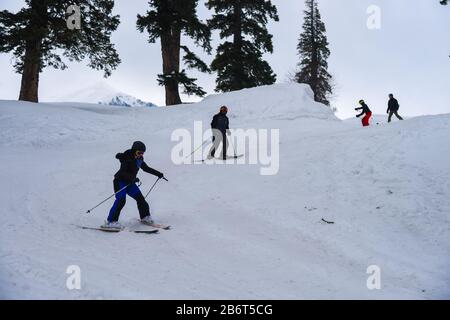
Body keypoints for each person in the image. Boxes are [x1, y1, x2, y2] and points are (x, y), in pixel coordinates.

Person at [103, 141, 165, 229]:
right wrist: (133, 178)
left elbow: (146, 168)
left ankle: (145, 217)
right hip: (120, 182)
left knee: (140, 199)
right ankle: (111, 222)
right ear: (134, 150)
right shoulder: (127, 158)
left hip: (130, 183)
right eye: (139, 152)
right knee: (121, 200)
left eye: (142, 153)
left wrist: (158, 174)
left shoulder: (139, 159)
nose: (141, 154)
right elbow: (123, 172)